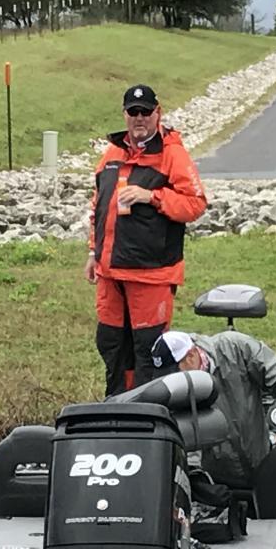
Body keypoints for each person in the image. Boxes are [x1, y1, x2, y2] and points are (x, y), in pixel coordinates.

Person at [85, 84, 207, 397]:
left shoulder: (172, 154)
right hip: (110, 272)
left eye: (145, 112)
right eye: (133, 112)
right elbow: (98, 205)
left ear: (158, 113)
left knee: (150, 349)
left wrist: (152, 197)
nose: (139, 118)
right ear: (125, 114)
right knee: (112, 344)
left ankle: (145, 412)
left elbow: (194, 204)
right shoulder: (113, 153)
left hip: (151, 274)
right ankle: (114, 406)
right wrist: (92, 252)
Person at [150, 329, 276, 488]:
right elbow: (184, 436)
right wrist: (197, 480)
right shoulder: (175, 389)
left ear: (191, 356)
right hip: (218, 481)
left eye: (175, 370)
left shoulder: (236, 347)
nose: (171, 378)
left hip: (262, 463)